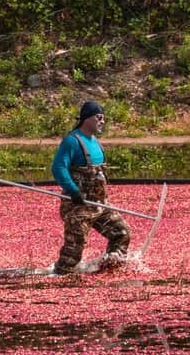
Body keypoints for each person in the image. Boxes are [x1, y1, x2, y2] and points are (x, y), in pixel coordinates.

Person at [50, 101, 131, 274]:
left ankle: (108, 268)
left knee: (121, 233)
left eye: (103, 118)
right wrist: (72, 191)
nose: (102, 121)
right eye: (99, 117)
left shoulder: (96, 143)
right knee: (75, 247)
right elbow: (58, 167)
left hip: (99, 205)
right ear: (87, 118)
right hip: (78, 206)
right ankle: (61, 275)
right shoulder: (72, 141)